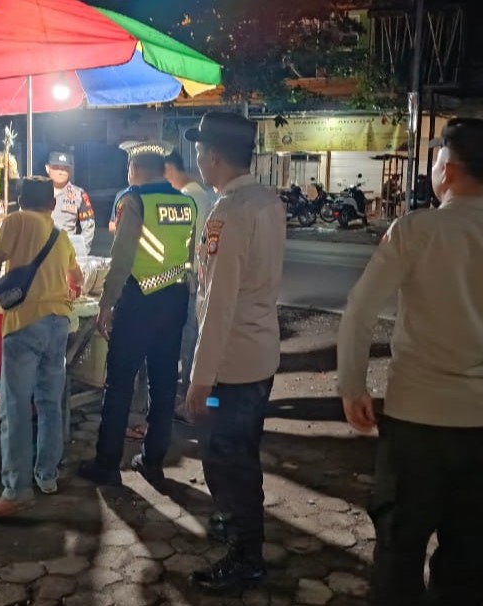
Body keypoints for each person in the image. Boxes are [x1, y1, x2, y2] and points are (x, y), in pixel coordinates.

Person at [337, 118, 483, 606]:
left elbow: (359, 311)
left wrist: (352, 386)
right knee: (467, 555)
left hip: (415, 421)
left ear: (447, 171)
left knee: (399, 549)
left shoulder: (413, 231)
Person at [183, 112, 285, 592]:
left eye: (201, 151)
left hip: (230, 368)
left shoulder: (228, 212)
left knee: (227, 458)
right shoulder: (267, 202)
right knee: (242, 452)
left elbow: (218, 303)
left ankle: (246, 556)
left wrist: (201, 380)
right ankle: (239, 530)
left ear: (214, 156)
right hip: (259, 357)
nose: (198, 160)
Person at [77, 141, 197, 490]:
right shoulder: (186, 203)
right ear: (162, 170)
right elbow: (188, 255)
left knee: (119, 385)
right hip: (175, 300)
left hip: (139, 299)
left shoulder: (135, 201)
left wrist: (106, 305)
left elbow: (121, 260)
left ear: (133, 170)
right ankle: (154, 460)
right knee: (163, 385)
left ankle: (107, 464)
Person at [0, 177, 83, 519]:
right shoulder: (61, 234)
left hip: (25, 323)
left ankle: (16, 491)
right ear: (52, 205)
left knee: (16, 408)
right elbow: (76, 278)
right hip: (58, 324)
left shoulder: (16, 220)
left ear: (21, 200)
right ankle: (47, 476)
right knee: (51, 403)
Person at [164, 149, 217, 416]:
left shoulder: (189, 198)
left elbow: (190, 242)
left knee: (189, 335)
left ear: (169, 170)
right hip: (196, 276)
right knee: (190, 334)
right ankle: (187, 394)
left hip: (191, 277)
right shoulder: (201, 194)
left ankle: (186, 399)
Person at [46, 152, 96, 255]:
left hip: (65, 253)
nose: (61, 172)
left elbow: (89, 227)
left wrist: (81, 253)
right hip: (40, 251)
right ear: (47, 168)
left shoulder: (79, 195)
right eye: (56, 167)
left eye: (65, 168)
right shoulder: (38, 192)